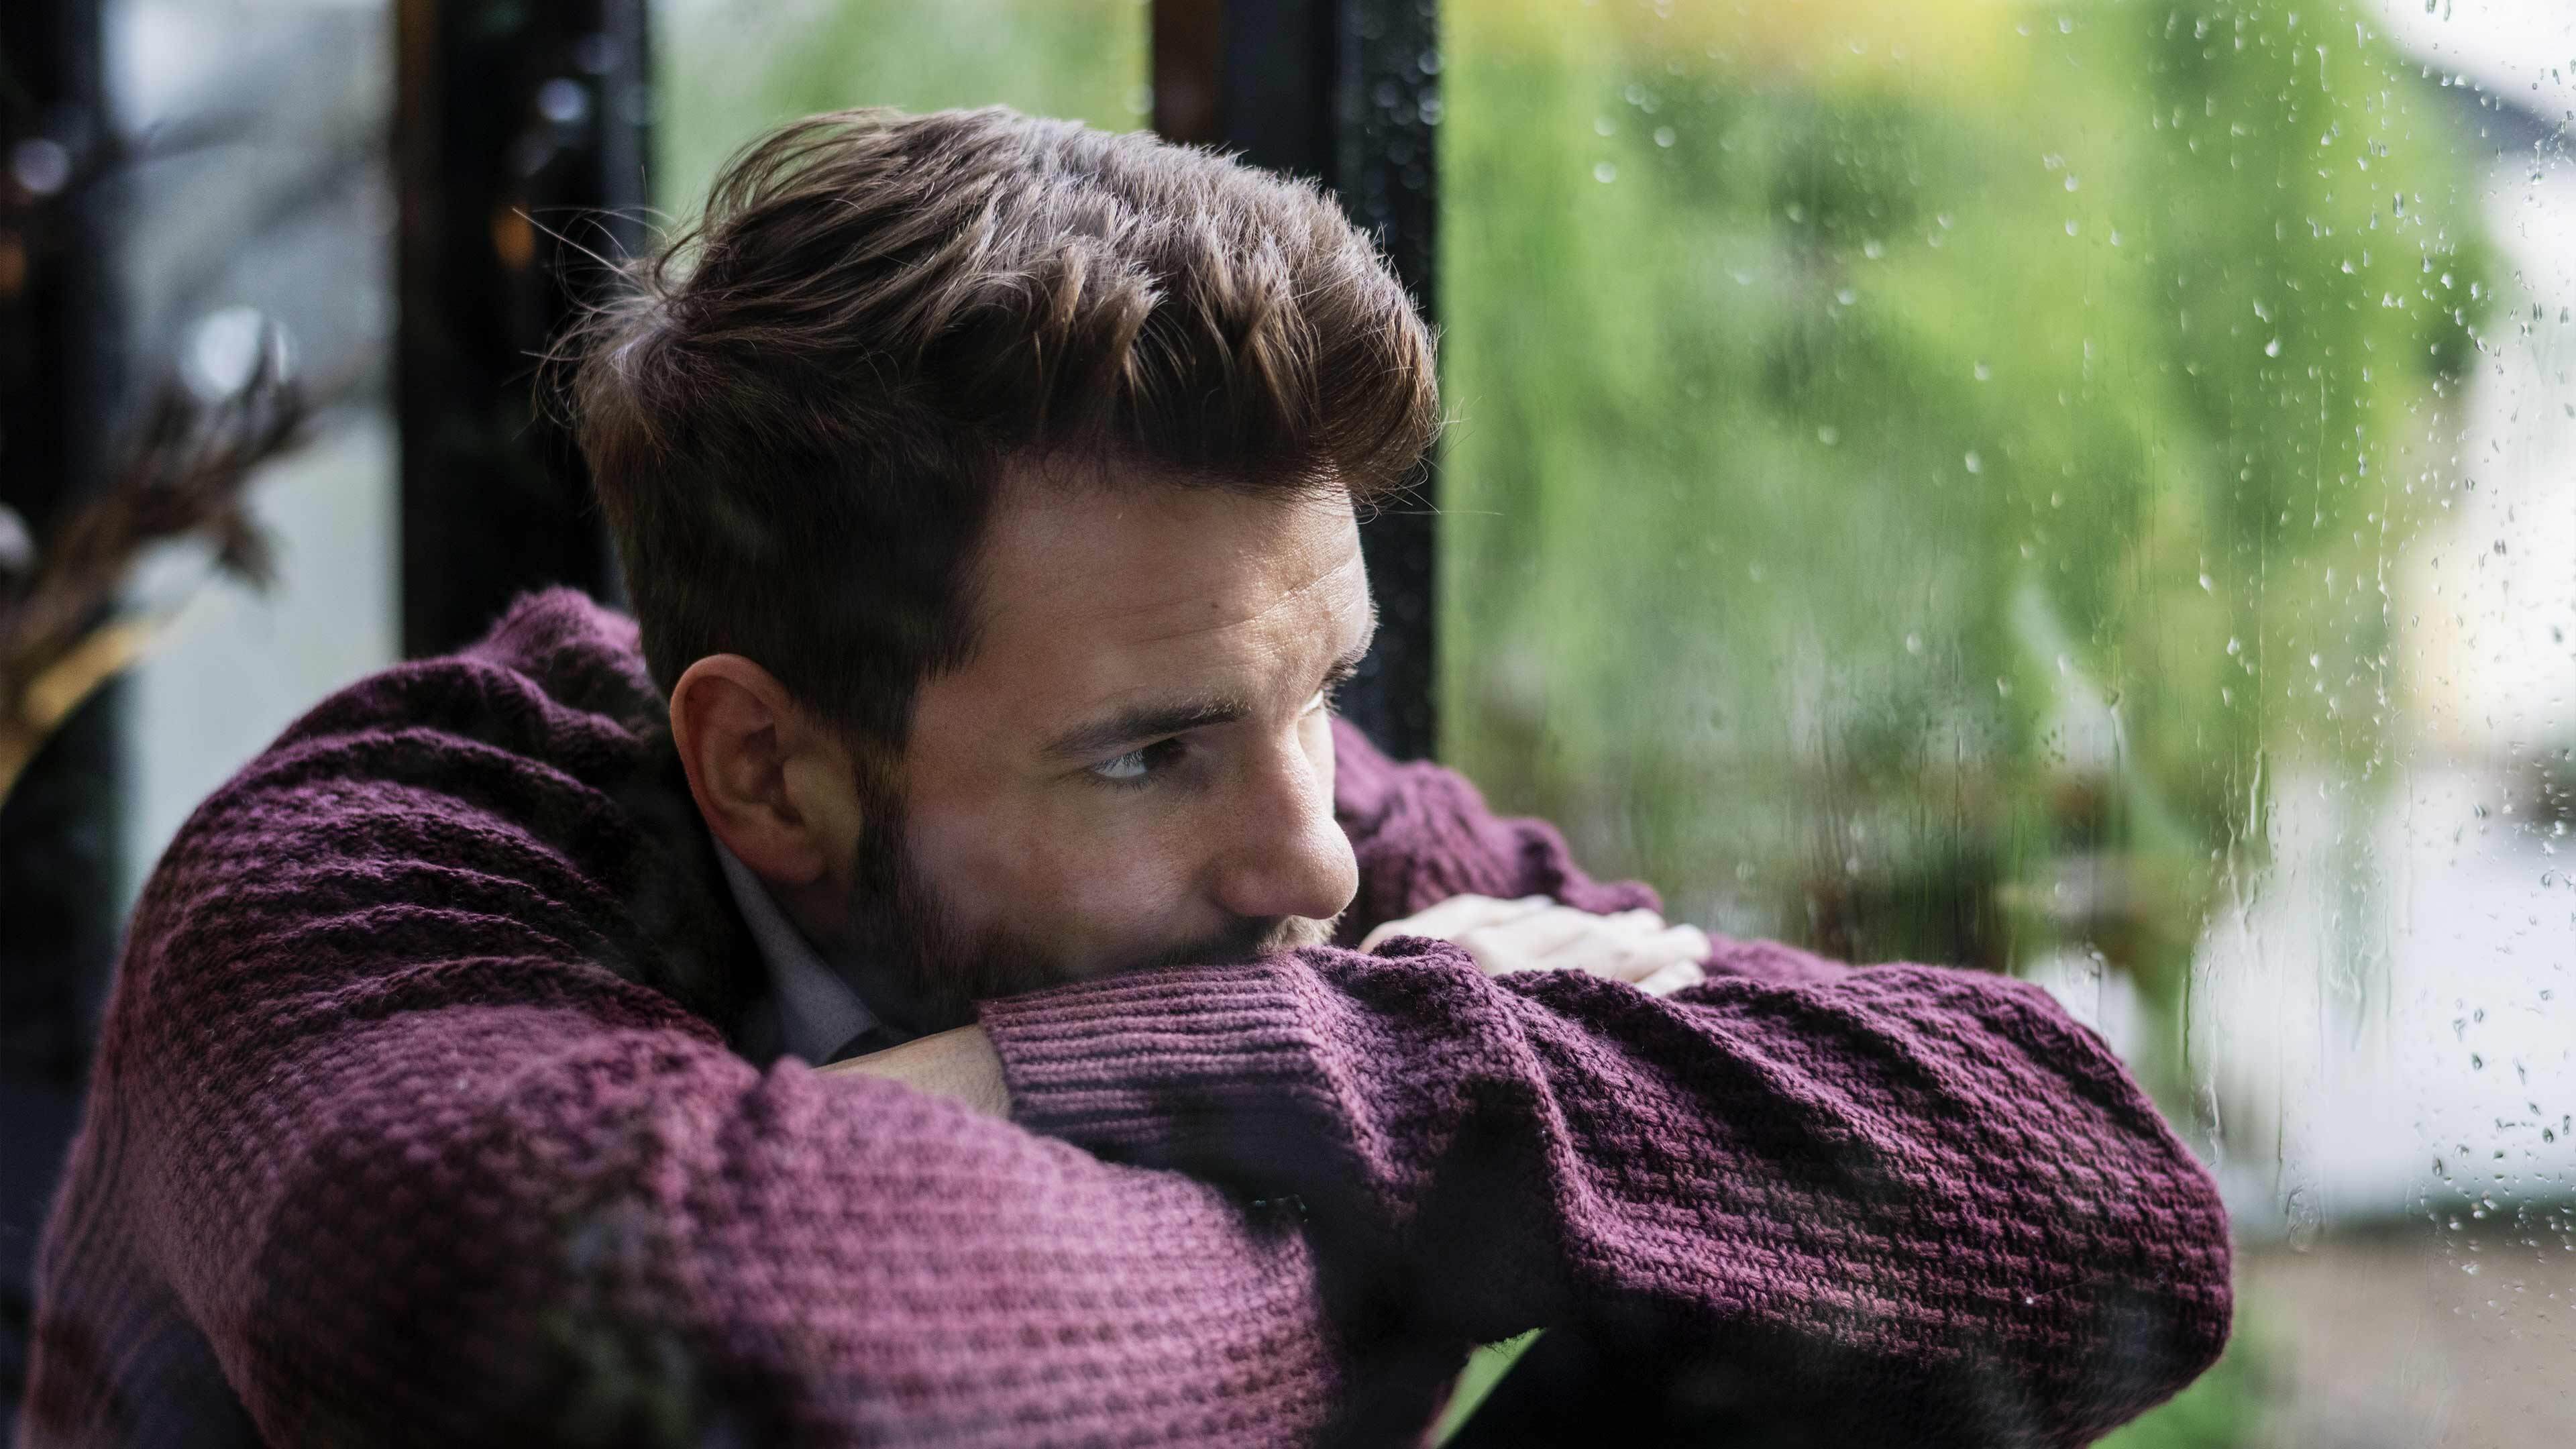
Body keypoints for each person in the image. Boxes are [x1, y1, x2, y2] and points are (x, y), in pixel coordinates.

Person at [19, 108, 2230, 1448]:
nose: (1315, 846)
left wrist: (1130, 1064)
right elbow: (659, 1359)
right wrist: (1400, 1121)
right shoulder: (357, 883)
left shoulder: (1297, 834)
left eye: (1327, 691)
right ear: (767, 767)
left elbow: (2086, 1210)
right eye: (1152, 750)